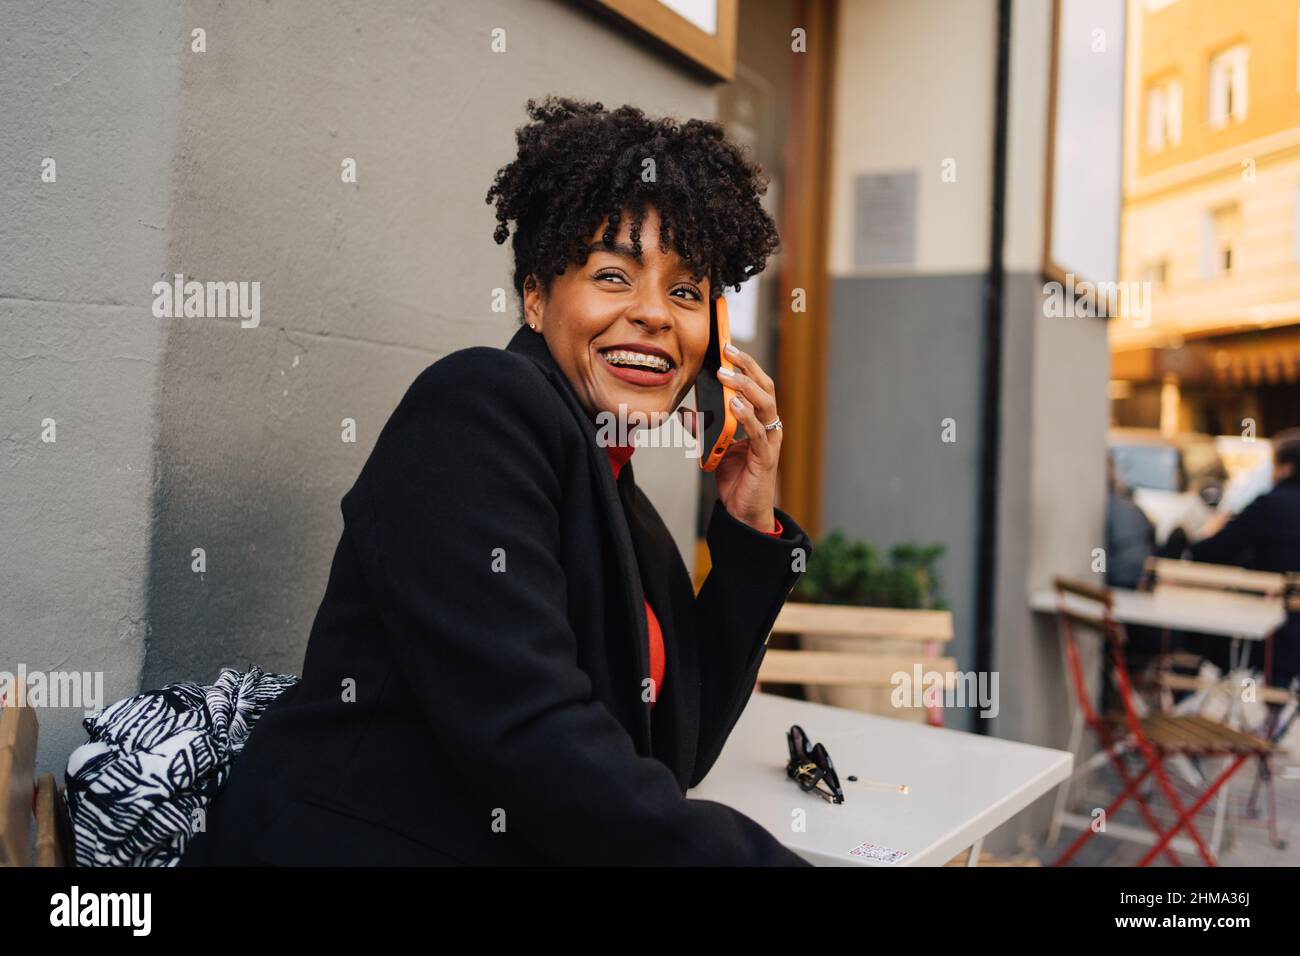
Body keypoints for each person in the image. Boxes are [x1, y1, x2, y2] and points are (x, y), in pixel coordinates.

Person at [180, 96, 814, 866]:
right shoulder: (478, 411)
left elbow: (669, 756)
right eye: (614, 275)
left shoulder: (625, 504)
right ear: (538, 294)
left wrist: (749, 527)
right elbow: (534, 745)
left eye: (686, 293)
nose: (654, 314)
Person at [1186, 428, 1300, 688]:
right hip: (1286, 643)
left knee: (1204, 634)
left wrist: (1210, 532)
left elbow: (1209, 551)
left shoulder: (1271, 506)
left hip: (1271, 635)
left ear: (1285, 468)